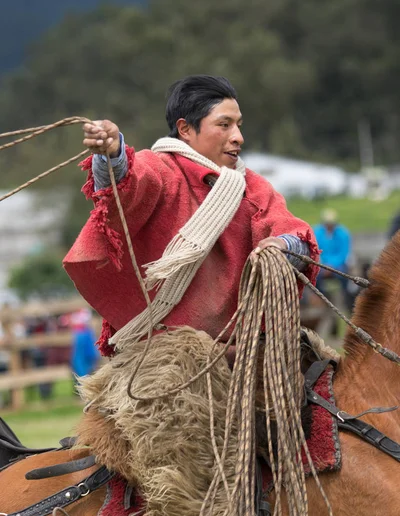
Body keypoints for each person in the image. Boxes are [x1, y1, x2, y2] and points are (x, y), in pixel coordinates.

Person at [64, 75, 319, 359]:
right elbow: (125, 184)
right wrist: (111, 154)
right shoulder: (161, 169)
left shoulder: (254, 189)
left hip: (245, 351)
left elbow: (296, 236)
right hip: (162, 355)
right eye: (224, 125)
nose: (238, 137)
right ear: (185, 129)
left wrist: (282, 248)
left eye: (238, 125)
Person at [313, 208, 353, 311]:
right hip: (322, 264)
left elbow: (344, 253)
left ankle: (346, 300)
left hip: (338, 264)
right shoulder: (317, 232)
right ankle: (323, 298)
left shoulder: (343, 233)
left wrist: (332, 266)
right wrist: (324, 265)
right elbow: (316, 250)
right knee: (313, 277)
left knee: (344, 276)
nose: (329, 226)